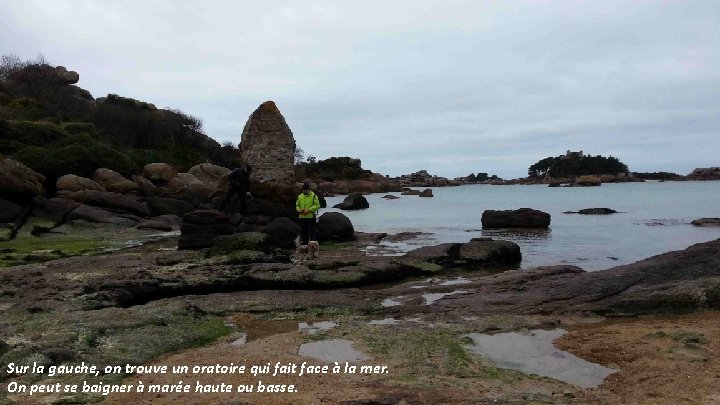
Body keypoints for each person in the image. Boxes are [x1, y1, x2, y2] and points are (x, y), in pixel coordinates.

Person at [295, 182, 320, 257]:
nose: (305, 191)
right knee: (303, 232)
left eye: (307, 190)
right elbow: (297, 205)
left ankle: (314, 249)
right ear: (303, 190)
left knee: (312, 232)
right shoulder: (300, 196)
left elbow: (317, 205)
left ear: (309, 189)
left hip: (311, 217)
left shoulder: (314, 196)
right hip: (302, 217)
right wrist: (299, 210)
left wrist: (309, 210)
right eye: (304, 190)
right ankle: (304, 248)